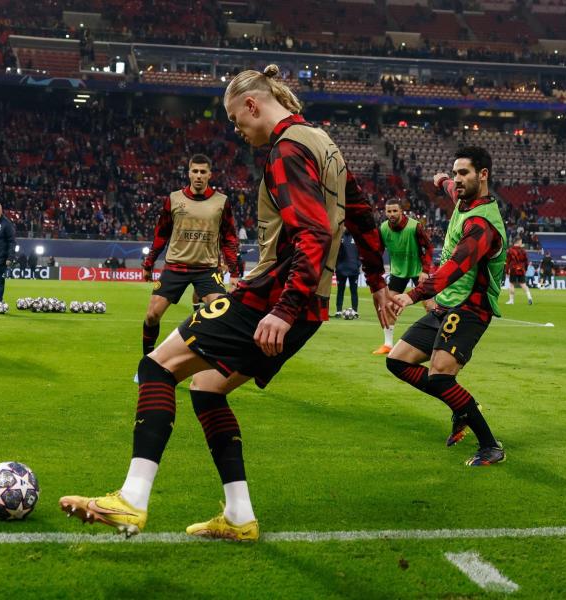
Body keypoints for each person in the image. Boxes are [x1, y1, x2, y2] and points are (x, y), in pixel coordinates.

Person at [60, 65, 389, 541]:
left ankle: (131, 499)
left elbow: (314, 232)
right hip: (308, 305)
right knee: (206, 389)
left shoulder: (287, 150)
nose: (239, 132)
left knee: (157, 367)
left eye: (238, 121)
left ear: (253, 105)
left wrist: (282, 308)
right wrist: (376, 280)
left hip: (273, 297)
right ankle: (239, 517)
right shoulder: (324, 144)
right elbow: (360, 212)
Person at [385, 146, 507, 467]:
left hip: (470, 308)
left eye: (463, 173)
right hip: (447, 305)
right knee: (397, 361)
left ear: (483, 175)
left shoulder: (483, 224)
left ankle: (490, 446)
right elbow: (450, 187)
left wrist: (410, 296)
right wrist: (441, 180)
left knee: (440, 377)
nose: (457, 179)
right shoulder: (463, 198)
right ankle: (463, 406)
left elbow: (454, 268)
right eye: (455, 173)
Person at [139, 154, 241, 361]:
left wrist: (234, 272)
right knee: (151, 316)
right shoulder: (174, 199)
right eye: (195, 171)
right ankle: (147, 360)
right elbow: (161, 234)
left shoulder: (221, 202)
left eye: (203, 172)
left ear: (210, 174)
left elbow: (229, 238)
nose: (199, 176)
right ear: (188, 173)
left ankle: (213, 360)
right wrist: (149, 263)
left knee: (222, 313)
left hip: (207, 269)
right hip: (176, 267)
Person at [373, 198, 433, 354]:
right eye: (389, 211)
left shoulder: (415, 226)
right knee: (388, 306)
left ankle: (437, 343)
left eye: (395, 211)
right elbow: (378, 251)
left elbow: (429, 247)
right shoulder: (383, 228)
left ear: (401, 211)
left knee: (430, 307)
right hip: (398, 272)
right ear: (385, 212)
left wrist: (425, 270)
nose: (392, 214)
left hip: (418, 270)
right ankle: (387, 344)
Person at [335, 232, 360, 317]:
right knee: (340, 291)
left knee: (354, 291)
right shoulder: (339, 236)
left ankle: (355, 311)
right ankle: (338, 311)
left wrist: (358, 264)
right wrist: (336, 265)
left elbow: (361, 251)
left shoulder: (357, 236)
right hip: (341, 269)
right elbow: (335, 251)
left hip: (353, 269)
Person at [505, 239, 533, 305]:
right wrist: (525, 269)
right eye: (521, 242)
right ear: (518, 242)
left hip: (513, 269)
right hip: (521, 269)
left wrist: (506, 271)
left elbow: (507, 262)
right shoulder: (523, 251)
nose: (522, 243)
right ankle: (529, 297)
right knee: (523, 284)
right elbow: (526, 261)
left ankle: (511, 300)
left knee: (512, 284)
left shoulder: (510, 250)